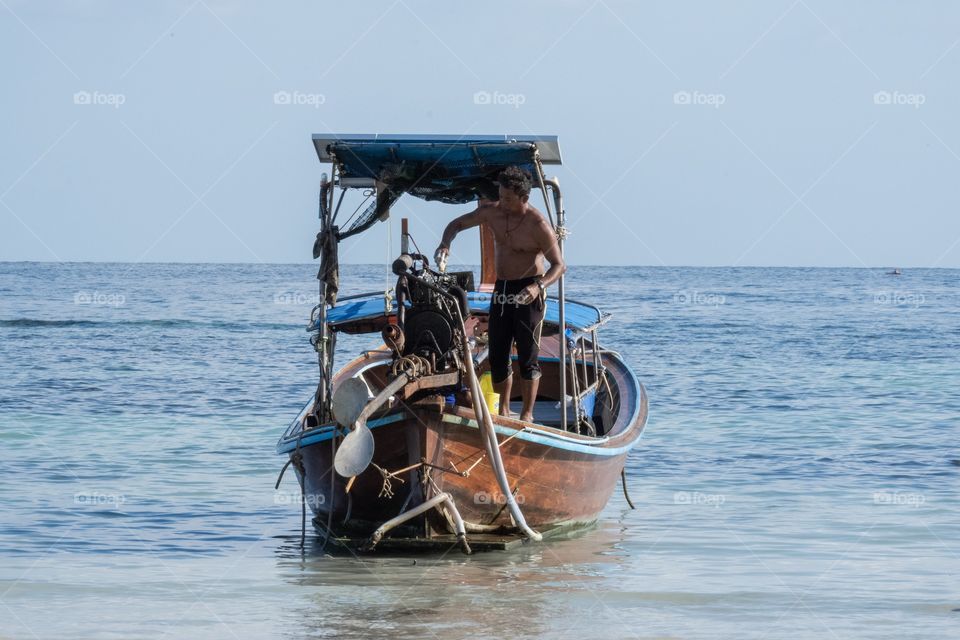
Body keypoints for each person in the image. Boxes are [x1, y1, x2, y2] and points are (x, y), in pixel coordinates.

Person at [434, 166, 565, 422]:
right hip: (502, 289)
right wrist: (445, 244)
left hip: (530, 290)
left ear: (524, 199)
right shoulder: (492, 212)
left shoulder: (538, 225)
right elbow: (456, 224)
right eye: (501, 196)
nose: (502, 203)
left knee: (528, 357)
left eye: (508, 199)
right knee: (497, 354)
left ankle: (527, 415)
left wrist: (538, 286)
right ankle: (503, 411)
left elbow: (559, 265)